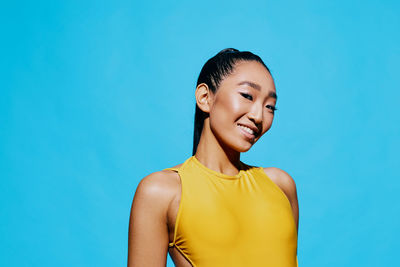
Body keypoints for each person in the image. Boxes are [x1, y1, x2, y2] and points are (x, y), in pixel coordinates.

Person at [128, 48, 299, 267]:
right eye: (247, 96)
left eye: (270, 107)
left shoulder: (281, 186)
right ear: (205, 97)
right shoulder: (162, 192)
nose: (258, 116)